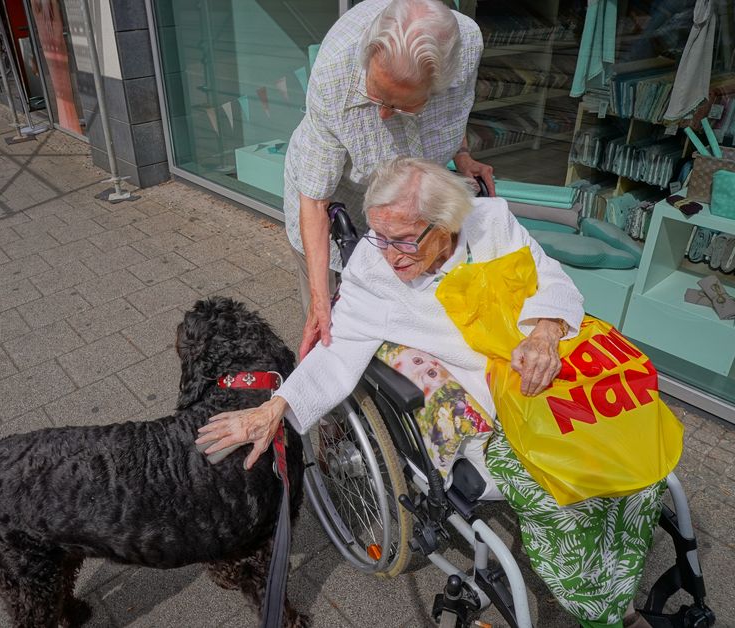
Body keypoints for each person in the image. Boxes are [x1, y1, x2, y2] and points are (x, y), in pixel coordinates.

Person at [198, 158, 664, 628]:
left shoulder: (492, 224)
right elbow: (338, 354)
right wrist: (277, 406)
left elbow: (551, 279)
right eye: (379, 236)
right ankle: (603, 610)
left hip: (544, 380)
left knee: (640, 458)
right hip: (483, 407)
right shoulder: (372, 271)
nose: (389, 254)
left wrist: (544, 331)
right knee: (559, 488)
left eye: (403, 240)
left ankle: (615, 569)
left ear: (447, 225)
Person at [284, 0, 495, 361]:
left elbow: (453, 109)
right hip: (338, 203)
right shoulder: (335, 73)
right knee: (333, 320)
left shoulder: (467, 46)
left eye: (396, 106)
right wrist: (321, 303)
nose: (382, 114)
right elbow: (314, 201)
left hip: (407, 203)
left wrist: (461, 154)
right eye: (375, 96)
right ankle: (329, 410)